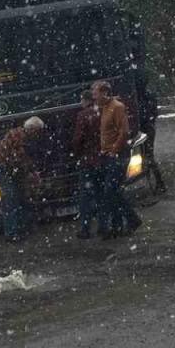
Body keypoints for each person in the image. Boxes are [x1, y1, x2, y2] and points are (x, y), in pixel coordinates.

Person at [95, 80, 142, 238]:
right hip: (107, 155)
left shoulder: (117, 107)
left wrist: (114, 150)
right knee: (112, 192)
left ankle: (131, 219)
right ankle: (118, 225)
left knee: (111, 191)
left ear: (104, 93)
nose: (94, 96)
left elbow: (124, 132)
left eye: (96, 92)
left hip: (117, 155)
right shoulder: (104, 108)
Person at [0, 116, 45, 242]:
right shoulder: (20, 138)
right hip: (1, 170)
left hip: (3, 169)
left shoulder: (18, 134)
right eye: (37, 131)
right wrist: (31, 173)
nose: (38, 134)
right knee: (11, 200)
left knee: (15, 198)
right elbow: (18, 160)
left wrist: (30, 171)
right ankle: (12, 233)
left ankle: (17, 229)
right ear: (32, 129)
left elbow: (20, 161)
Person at [70, 90, 103, 239]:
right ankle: (104, 226)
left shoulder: (83, 115)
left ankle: (85, 228)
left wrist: (76, 154)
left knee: (85, 197)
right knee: (101, 193)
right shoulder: (101, 112)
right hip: (102, 158)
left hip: (88, 160)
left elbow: (78, 139)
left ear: (85, 100)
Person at [135, 72, 168, 195]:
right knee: (148, 156)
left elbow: (149, 113)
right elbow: (153, 113)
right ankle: (157, 182)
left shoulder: (139, 96)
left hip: (145, 128)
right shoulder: (148, 95)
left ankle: (158, 183)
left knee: (147, 156)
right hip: (148, 127)